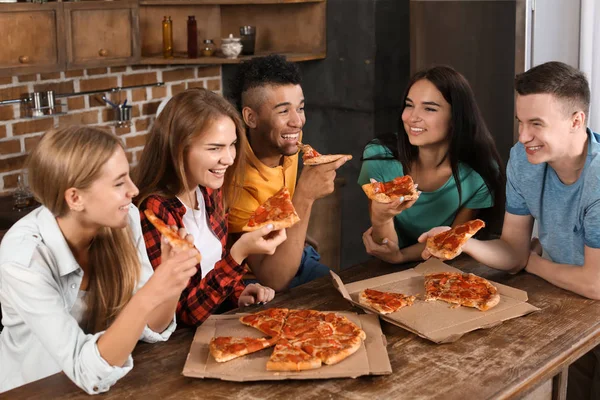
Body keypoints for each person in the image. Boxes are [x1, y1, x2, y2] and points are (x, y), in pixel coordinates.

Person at [417, 61, 599, 400]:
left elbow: (594, 283)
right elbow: (514, 250)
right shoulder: (523, 160)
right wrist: (465, 241)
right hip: (569, 303)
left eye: (536, 124)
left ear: (577, 121)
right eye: (520, 122)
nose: (522, 136)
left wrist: (532, 263)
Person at [0, 126, 198, 394]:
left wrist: (173, 281)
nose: (134, 189)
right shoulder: (23, 258)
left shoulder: (125, 220)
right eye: (119, 183)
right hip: (35, 392)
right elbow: (87, 372)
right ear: (75, 198)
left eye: (129, 177)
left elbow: (152, 329)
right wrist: (153, 291)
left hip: (108, 387)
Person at [134, 88, 285, 327]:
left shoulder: (208, 190)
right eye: (214, 148)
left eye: (232, 145)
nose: (229, 158)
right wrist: (239, 254)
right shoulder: (153, 211)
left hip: (215, 327)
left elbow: (212, 271)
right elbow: (184, 314)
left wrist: (238, 294)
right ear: (178, 148)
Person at [358, 65, 505, 264]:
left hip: (449, 266)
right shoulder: (379, 156)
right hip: (385, 270)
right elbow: (384, 246)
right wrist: (380, 218)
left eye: (429, 108)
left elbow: (450, 240)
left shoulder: (479, 174)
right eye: (409, 105)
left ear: (456, 118)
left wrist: (401, 257)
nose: (412, 118)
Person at [227, 54, 350, 291]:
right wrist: (304, 196)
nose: (298, 121)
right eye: (283, 111)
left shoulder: (290, 143)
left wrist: (294, 231)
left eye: (300, 108)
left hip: (300, 257)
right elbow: (273, 279)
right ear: (251, 117)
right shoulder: (235, 183)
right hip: (253, 283)